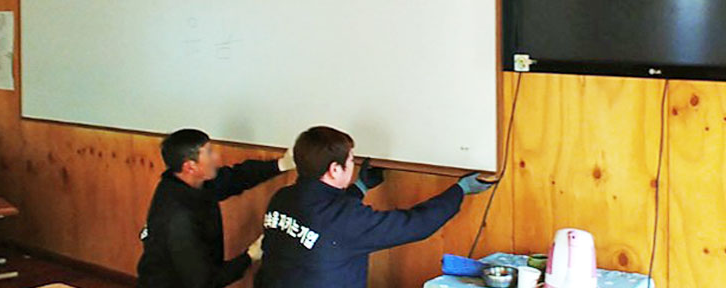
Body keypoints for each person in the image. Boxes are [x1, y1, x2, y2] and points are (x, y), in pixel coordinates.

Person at [255, 126, 494, 288]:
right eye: (351, 160)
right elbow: (417, 224)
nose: (353, 165)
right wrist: (459, 190)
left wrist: (359, 187)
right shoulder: (345, 218)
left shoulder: (282, 198)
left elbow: (327, 215)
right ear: (335, 169)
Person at [137, 128, 295, 288]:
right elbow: (204, 282)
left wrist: (280, 165)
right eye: (209, 152)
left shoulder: (192, 182)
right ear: (190, 167)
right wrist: (249, 256)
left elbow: (236, 177)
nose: (216, 156)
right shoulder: (179, 219)